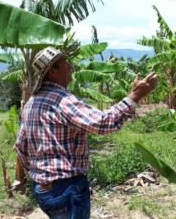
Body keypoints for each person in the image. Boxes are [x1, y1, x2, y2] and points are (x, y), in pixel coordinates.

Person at [14, 45, 157, 219]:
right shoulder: (62, 100)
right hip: (65, 189)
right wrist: (135, 96)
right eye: (65, 63)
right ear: (52, 72)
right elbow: (103, 123)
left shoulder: (31, 103)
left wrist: (41, 176)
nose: (70, 67)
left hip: (42, 191)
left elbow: (21, 147)